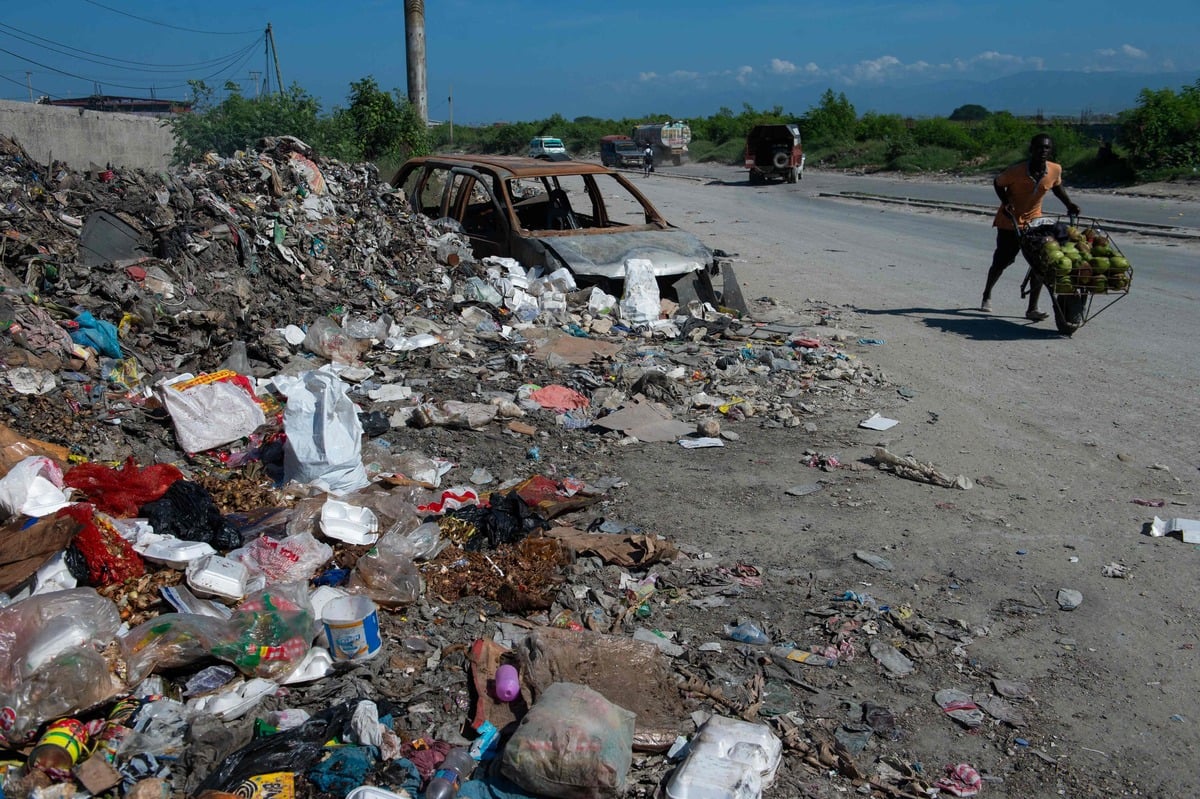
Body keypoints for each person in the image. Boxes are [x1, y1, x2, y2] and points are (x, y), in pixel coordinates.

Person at [979, 133, 1081, 320]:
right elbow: (998, 182)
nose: (1043, 151)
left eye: (1047, 148)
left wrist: (1069, 204)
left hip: (1034, 222)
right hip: (1009, 221)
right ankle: (987, 294)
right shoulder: (1016, 171)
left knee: (1040, 263)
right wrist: (1006, 202)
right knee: (1003, 261)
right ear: (1031, 150)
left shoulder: (1055, 169)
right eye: (1039, 147)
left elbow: (1056, 186)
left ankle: (1032, 308)